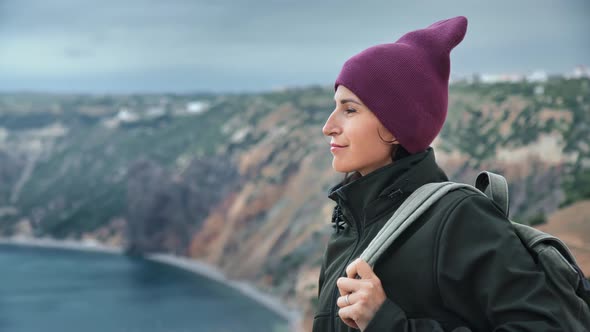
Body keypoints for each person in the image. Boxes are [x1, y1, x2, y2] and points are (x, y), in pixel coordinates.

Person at [312, 16, 569, 331]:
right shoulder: (348, 224)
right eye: (335, 106)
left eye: (349, 110)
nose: (329, 126)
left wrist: (387, 323)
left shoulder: (460, 217)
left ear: (395, 128)